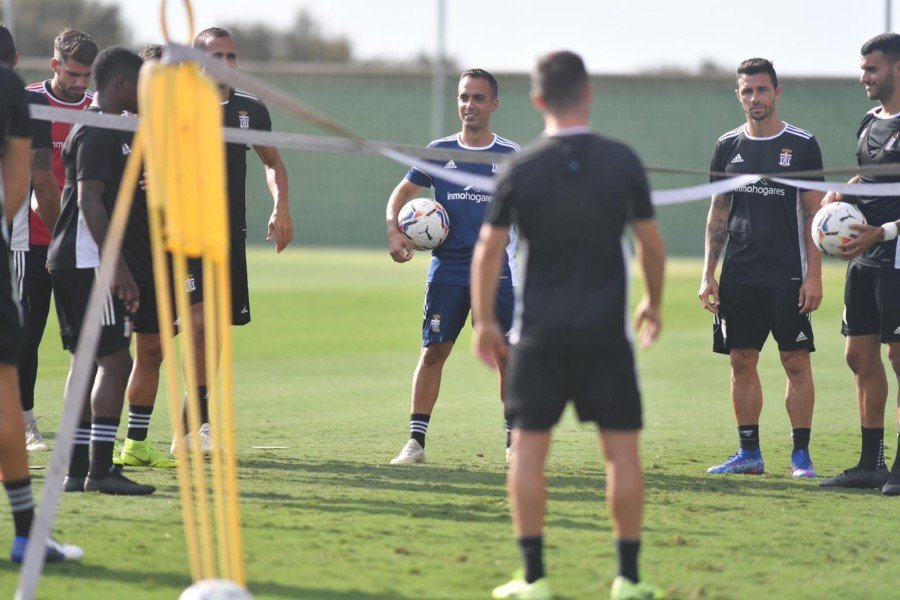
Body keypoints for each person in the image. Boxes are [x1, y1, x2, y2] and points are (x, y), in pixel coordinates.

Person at [472, 50, 665, 600]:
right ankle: (628, 579)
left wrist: (486, 321)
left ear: (536, 101)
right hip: (607, 335)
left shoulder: (520, 166)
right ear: (588, 93)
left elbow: (488, 252)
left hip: (539, 336)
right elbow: (651, 244)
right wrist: (653, 301)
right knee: (621, 455)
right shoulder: (621, 161)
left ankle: (533, 579)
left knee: (528, 454)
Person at [147, 27, 293, 455]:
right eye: (216, 56)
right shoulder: (175, 104)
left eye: (231, 56)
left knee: (209, 327)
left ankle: (195, 423)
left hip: (228, 237)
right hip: (179, 234)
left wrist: (280, 204)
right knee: (179, 330)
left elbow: (273, 163)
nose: (225, 64)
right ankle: (147, 425)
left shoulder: (251, 110)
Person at [385, 68, 519, 465]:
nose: (469, 105)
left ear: (493, 105)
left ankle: (514, 444)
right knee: (432, 352)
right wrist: (394, 231)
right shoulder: (439, 150)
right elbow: (401, 193)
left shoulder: (511, 156)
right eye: (463, 97)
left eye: (478, 98)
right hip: (448, 270)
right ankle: (415, 442)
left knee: (507, 356)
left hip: (498, 271)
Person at [700, 58, 825, 478]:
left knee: (795, 362)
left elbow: (814, 215)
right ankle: (749, 454)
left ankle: (800, 455)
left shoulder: (803, 144)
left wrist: (814, 274)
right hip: (739, 275)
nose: (755, 98)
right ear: (738, 95)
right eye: (747, 91)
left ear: (776, 92)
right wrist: (708, 273)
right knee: (740, 361)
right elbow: (718, 213)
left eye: (762, 90)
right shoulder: (727, 146)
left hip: (789, 275)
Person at [49, 45, 155, 495]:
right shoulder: (98, 129)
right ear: (120, 84)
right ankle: (99, 471)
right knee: (115, 361)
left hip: (75, 258)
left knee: (87, 363)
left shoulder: (107, 126)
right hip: (89, 260)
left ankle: (75, 471)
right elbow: (89, 200)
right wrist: (118, 269)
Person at [0, 23, 82, 563]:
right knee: (9, 373)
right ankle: (27, 533)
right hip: (26, 243)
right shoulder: (14, 92)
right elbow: (27, 185)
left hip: (47, 240)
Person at [820, 33, 900, 495]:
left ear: (896, 69)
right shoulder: (869, 122)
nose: (863, 77)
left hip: (896, 254)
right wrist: (844, 191)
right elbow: (867, 176)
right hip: (864, 258)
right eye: (863, 68)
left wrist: (885, 232)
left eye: (872, 68)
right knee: (858, 355)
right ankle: (872, 463)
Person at [14, 29, 98, 452]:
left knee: (85, 338)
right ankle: (25, 422)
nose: (81, 83)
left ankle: (81, 430)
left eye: (87, 76)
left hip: (78, 244)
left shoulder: (97, 109)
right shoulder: (30, 102)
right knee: (28, 332)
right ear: (54, 66)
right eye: (73, 73)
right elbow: (41, 185)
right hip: (30, 240)